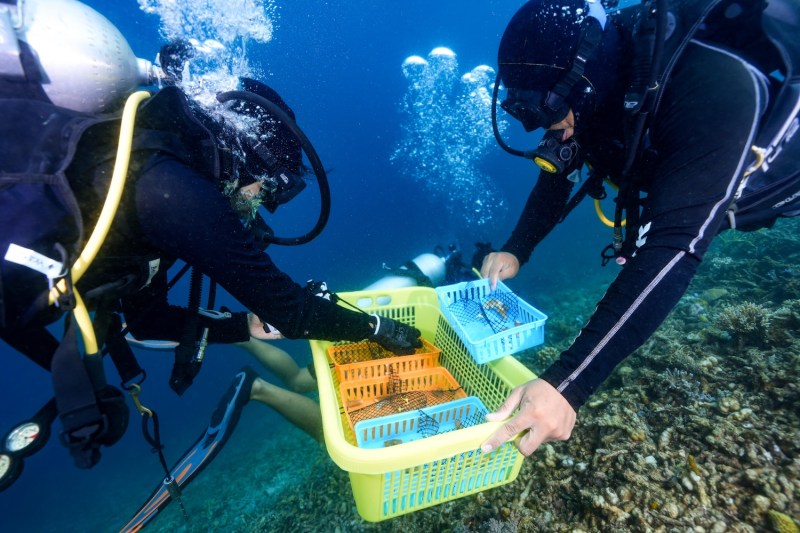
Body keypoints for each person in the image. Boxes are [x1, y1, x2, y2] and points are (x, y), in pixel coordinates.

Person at [0, 0, 421, 472]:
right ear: (249, 161)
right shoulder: (171, 190)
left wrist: (241, 327)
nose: (261, 207)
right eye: (269, 191)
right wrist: (378, 330)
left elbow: (143, 321)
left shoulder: (153, 170)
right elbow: (293, 312)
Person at [479, 0, 798, 456]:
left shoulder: (710, 83)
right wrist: (517, 248)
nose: (541, 125)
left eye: (546, 106)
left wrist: (568, 384)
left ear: (587, 76)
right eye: (523, 110)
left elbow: (674, 248)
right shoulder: (595, 88)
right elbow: (557, 174)